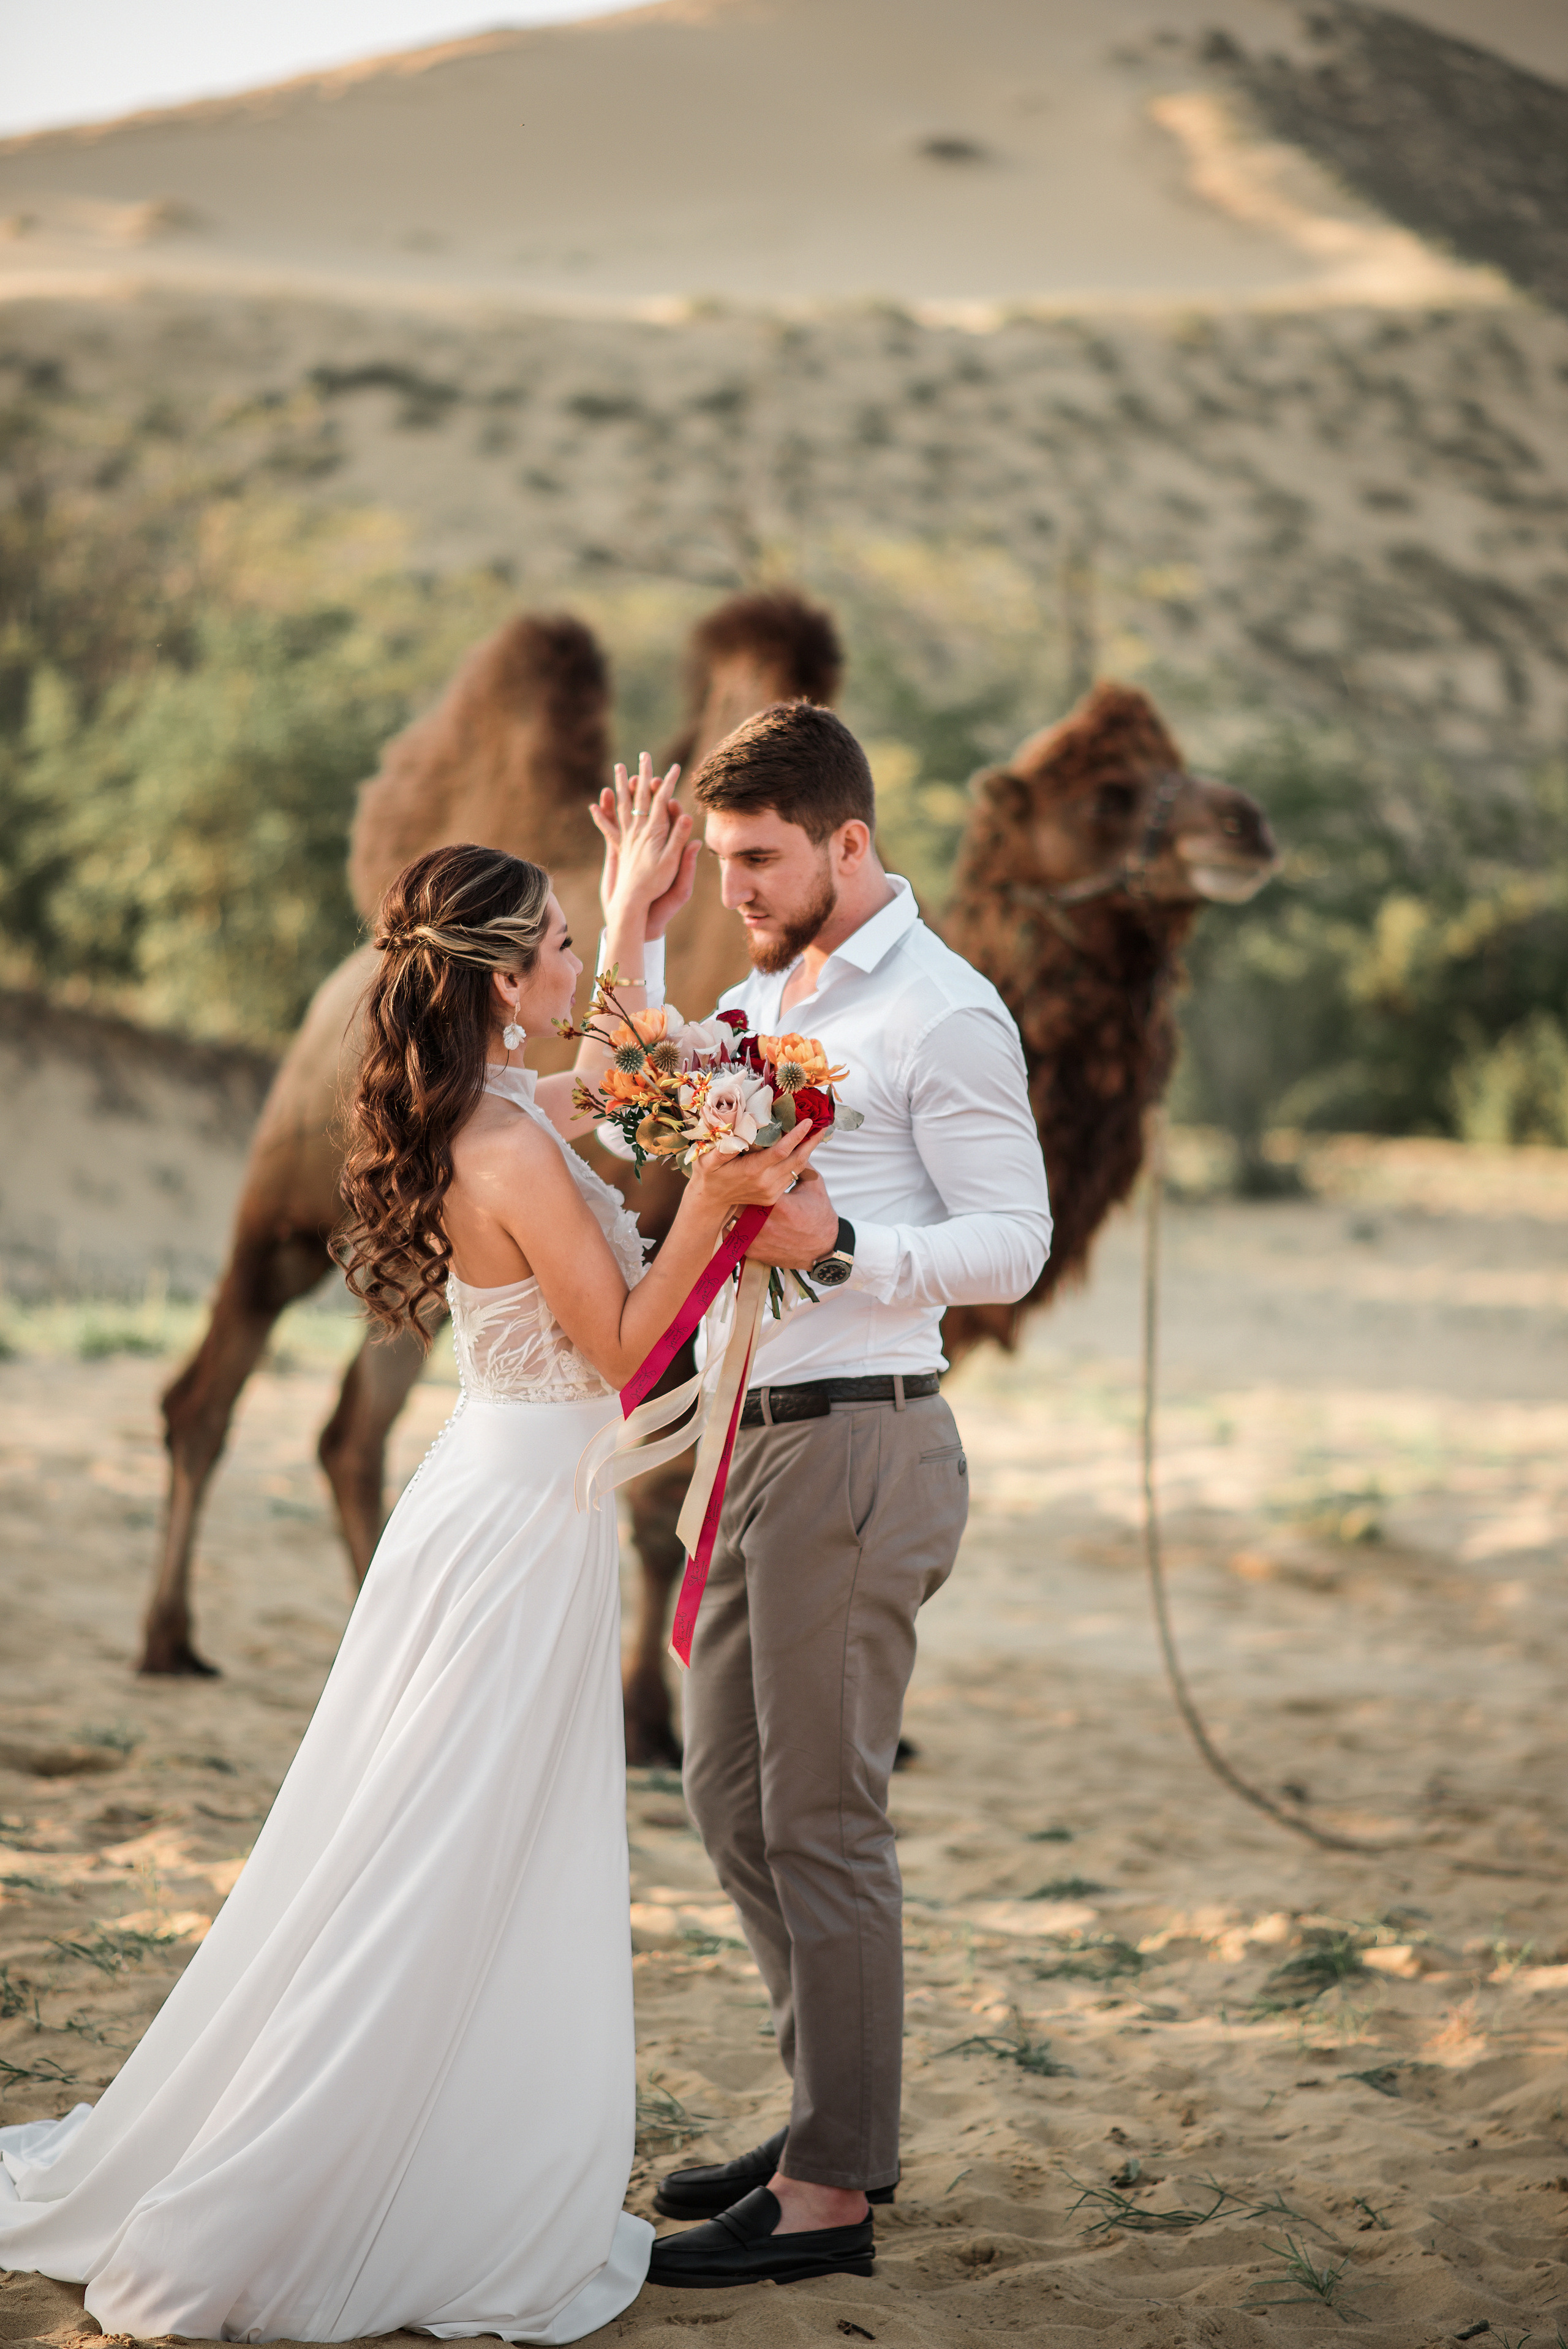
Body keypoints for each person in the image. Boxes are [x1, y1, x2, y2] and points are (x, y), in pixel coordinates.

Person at [0, 769, 823, 2342]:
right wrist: (718, 1197)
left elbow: (634, 1088)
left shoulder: (512, 1110)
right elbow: (631, 1358)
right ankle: (325, 2184)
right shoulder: (507, 1149)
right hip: (515, 1532)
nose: (581, 976)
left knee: (447, 1853)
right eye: (566, 952)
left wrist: (642, 912)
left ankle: (431, 2136)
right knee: (436, 1863)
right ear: (506, 984)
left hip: (504, 1508)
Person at [628, 701, 1053, 2290]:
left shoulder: (944, 1013)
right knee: (729, 1794)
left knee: (819, 1810)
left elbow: (1018, 1237)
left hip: (867, 1435)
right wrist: (643, 927)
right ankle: (835, 2115)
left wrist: (853, 1253)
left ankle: (829, 2193)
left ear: (850, 843)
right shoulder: (757, 991)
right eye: (724, 860)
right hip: (760, 1436)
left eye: (759, 858)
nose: (737, 884)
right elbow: (640, 1101)